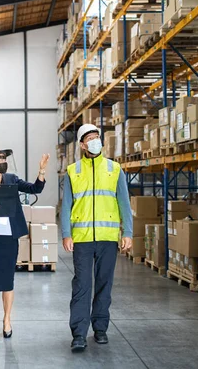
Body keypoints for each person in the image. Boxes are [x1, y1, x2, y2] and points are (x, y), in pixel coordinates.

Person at [60, 124, 133, 353]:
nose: (94, 141)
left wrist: (128, 232)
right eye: (89, 138)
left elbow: (124, 203)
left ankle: (100, 328)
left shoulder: (114, 169)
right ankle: (79, 333)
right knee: (82, 286)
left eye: (96, 137)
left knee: (104, 284)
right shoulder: (73, 171)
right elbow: (66, 206)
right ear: (82, 145)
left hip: (107, 237)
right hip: (81, 238)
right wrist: (66, 233)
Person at [0, 149, 49, 350]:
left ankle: (6, 320)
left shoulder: (12, 179)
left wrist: (41, 172)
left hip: (9, 240)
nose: (3, 161)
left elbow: (34, 189)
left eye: (5, 159)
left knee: (7, 283)